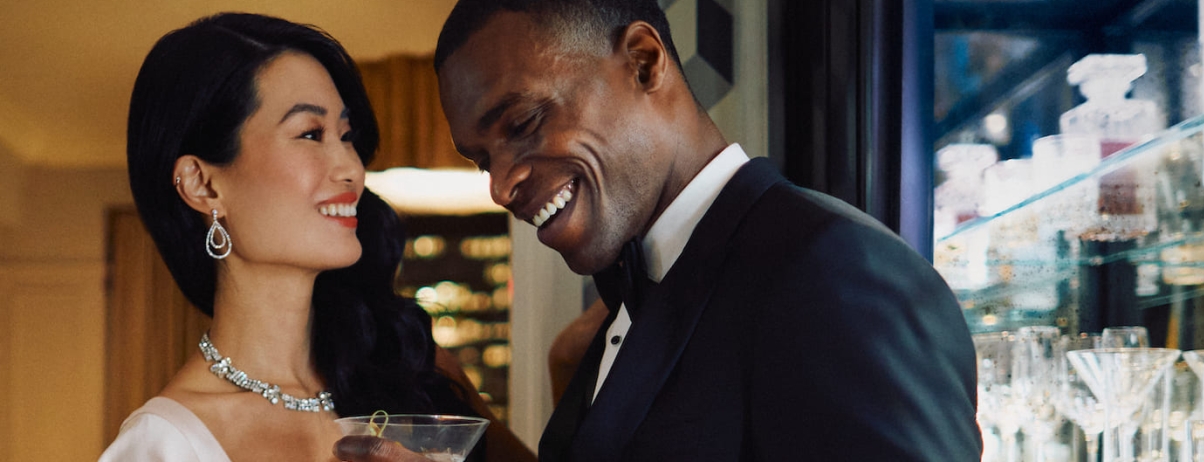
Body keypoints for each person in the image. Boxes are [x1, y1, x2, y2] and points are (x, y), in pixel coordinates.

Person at [338, 0, 980, 460]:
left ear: (644, 62)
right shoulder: (614, 316)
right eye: (483, 160)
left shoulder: (833, 271)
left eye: (525, 121)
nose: (501, 185)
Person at [102, 13, 531, 461]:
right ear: (202, 184)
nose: (352, 169)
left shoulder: (415, 374)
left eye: (346, 136)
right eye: (310, 133)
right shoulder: (164, 445)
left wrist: (566, 363)